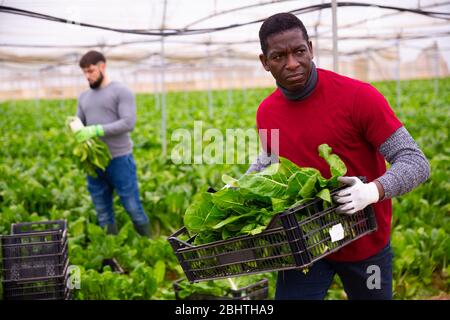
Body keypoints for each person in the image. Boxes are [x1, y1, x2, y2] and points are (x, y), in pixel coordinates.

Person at [248, 13, 430, 299]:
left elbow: (415, 161)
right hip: (305, 245)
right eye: (279, 56)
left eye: (299, 51)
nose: (292, 63)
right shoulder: (267, 112)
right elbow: (269, 159)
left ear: (310, 47)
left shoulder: (358, 97)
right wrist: (239, 189)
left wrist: (373, 190)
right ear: (264, 62)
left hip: (366, 244)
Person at [74, 50, 151, 237]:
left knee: (133, 208)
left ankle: (151, 244)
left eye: (91, 71)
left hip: (119, 159)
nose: (87, 76)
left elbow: (128, 123)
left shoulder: (120, 91)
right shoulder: (83, 97)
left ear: (102, 66)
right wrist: (75, 127)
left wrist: (97, 130)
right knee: (103, 213)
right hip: (94, 163)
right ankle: (112, 255)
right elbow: (80, 122)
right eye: (84, 72)